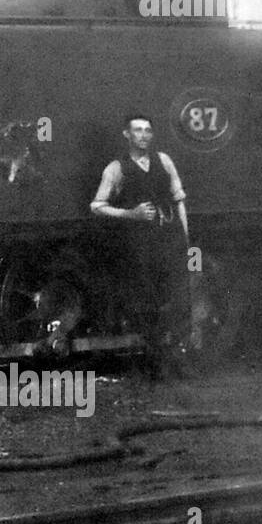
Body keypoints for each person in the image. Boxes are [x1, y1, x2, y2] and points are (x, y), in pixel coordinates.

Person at [90, 114, 191, 375]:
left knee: (179, 298)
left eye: (148, 130)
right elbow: (98, 206)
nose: (144, 135)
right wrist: (129, 214)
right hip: (140, 244)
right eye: (137, 130)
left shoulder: (164, 160)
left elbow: (178, 199)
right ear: (127, 135)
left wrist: (185, 238)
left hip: (170, 237)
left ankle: (179, 358)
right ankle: (155, 360)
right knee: (148, 301)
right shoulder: (116, 168)